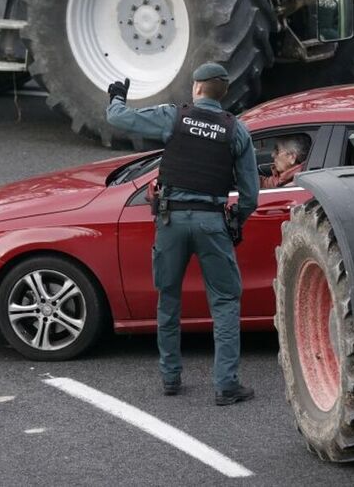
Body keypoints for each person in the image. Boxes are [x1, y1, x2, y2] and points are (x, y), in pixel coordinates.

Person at [106, 63, 259, 406]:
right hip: (211, 224)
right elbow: (250, 193)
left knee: (169, 299)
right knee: (224, 303)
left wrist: (117, 97)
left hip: (171, 222)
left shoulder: (173, 118)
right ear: (222, 93)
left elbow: (119, 119)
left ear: (196, 89)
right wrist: (236, 219)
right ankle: (226, 385)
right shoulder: (236, 130)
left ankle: (171, 378)